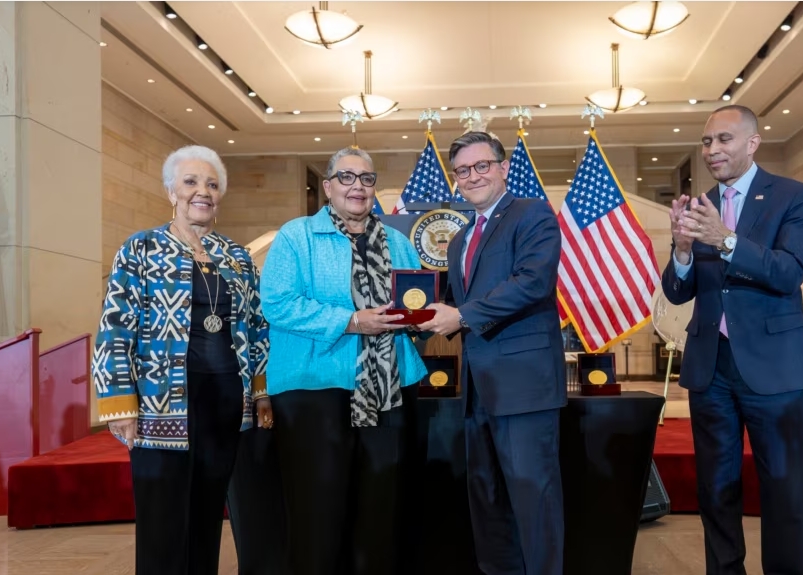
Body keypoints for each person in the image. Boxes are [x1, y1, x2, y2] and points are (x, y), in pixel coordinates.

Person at [93, 145, 271, 575]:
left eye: (211, 184)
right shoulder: (142, 248)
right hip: (161, 403)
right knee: (162, 519)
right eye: (191, 182)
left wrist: (261, 393)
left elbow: (257, 324)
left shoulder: (237, 256)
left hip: (226, 402)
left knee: (209, 515)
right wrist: (119, 402)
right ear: (171, 190)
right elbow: (115, 326)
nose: (202, 192)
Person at [660, 105, 803, 574]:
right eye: (707, 142)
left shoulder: (793, 195)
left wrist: (725, 239)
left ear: (752, 143)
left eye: (724, 140)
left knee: (785, 487)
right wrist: (684, 251)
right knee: (716, 487)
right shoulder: (698, 206)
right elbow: (676, 289)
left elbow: (789, 273)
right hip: (711, 369)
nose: (712, 150)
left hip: (775, 367)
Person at [260, 147, 428, 575]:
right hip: (314, 392)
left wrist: (423, 317)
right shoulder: (296, 236)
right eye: (347, 177)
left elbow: (415, 307)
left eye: (367, 179)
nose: (358, 186)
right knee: (319, 512)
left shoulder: (400, 242)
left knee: (381, 510)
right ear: (329, 186)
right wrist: (352, 321)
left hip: (390, 391)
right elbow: (277, 304)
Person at [418, 131, 565, 575]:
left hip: (524, 386)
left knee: (533, 498)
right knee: (487, 499)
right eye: (463, 170)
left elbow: (531, 283)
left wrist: (459, 316)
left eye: (482, 166)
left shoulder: (533, 214)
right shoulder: (461, 239)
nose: (473, 176)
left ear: (503, 168)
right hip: (477, 389)